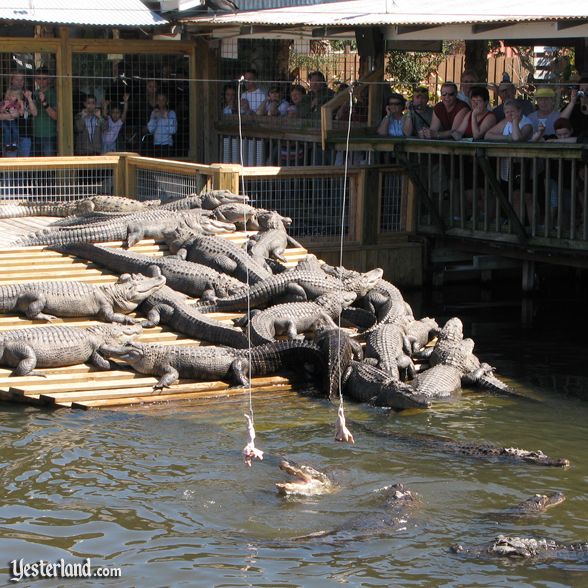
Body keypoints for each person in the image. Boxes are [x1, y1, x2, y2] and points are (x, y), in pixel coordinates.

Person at [485, 99, 535, 225]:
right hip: (508, 166)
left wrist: (515, 122)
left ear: (520, 111)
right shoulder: (505, 122)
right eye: (507, 112)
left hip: (526, 166)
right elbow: (488, 135)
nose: (509, 115)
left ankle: (533, 229)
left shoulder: (527, 124)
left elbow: (517, 139)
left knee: (528, 198)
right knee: (513, 196)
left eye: (512, 111)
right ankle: (517, 225)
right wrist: (506, 138)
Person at [5, 72, 37, 157]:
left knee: (24, 164)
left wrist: (29, 98)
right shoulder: (6, 95)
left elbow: (34, 113)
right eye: (17, 79)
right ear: (11, 80)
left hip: (25, 134)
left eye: (22, 79)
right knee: (10, 164)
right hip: (10, 137)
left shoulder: (28, 94)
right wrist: (11, 115)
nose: (20, 82)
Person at [32, 67, 57, 156]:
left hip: (49, 134)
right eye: (39, 78)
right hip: (35, 134)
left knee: (49, 166)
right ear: (35, 79)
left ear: (49, 79)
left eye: (44, 78)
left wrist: (44, 102)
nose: (41, 81)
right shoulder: (34, 93)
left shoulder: (54, 93)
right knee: (36, 167)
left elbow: (55, 116)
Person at [147, 93, 177, 158]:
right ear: (157, 101)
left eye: (163, 100)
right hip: (156, 145)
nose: (161, 102)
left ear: (167, 101)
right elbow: (150, 130)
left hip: (167, 145)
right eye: (159, 100)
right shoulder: (154, 112)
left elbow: (173, 131)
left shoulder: (171, 113)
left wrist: (166, 118)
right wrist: (154, 118)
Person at [0, 88, 24, 154]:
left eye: (13, 96)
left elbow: (21, 113)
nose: (11, 97)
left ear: (17, 97)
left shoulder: (16, 104)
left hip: (12, 120)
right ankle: (7, 145)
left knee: (15, 130)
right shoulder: (4, 102)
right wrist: (5, 105)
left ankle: (14, 144)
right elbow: (1, 111)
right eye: (9, 95)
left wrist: (21, 105)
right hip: (4, 120)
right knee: (7, 130)